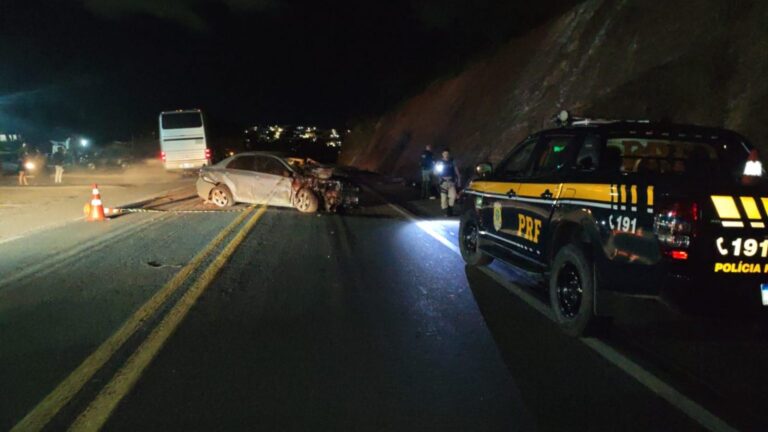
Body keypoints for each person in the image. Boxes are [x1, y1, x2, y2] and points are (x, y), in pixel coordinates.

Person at [436, 149, 461, 216]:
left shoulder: (452, 162)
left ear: (448, 154)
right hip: (443, 182)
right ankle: (446, 210)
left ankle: (450, 210)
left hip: (451, 182)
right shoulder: (440, 162)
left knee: (453, 196)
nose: (446, 155)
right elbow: (436, 172)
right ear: (442, 154)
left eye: (447, 154)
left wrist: (458, 179)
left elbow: (456, 171)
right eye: (444, 154)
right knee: (443, 198)